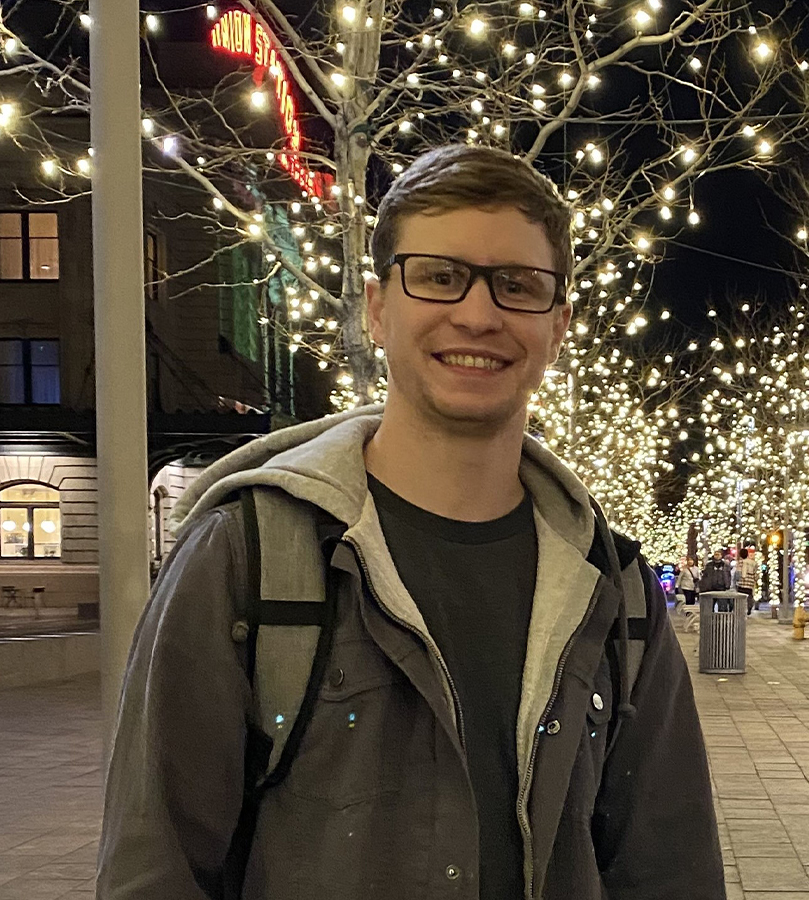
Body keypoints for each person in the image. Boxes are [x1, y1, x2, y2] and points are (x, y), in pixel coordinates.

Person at [97, 144, 725, 900]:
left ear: (559, 325)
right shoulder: (244, 559)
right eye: (439, 276)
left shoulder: (611, 587)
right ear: (377, 307)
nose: (478, 314)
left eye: (517, 286)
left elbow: (670, 871)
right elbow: (153, 871)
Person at [736, 546, 759, 616]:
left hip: (742, 582)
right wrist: (755, 580)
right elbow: (756, 574)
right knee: (749, 596)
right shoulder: (754, 563)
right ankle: (749, 608)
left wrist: (737, 580)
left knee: (740, 597)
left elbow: (738, 572)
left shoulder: (741, 562)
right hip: (750, 583)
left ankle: (740, 609)